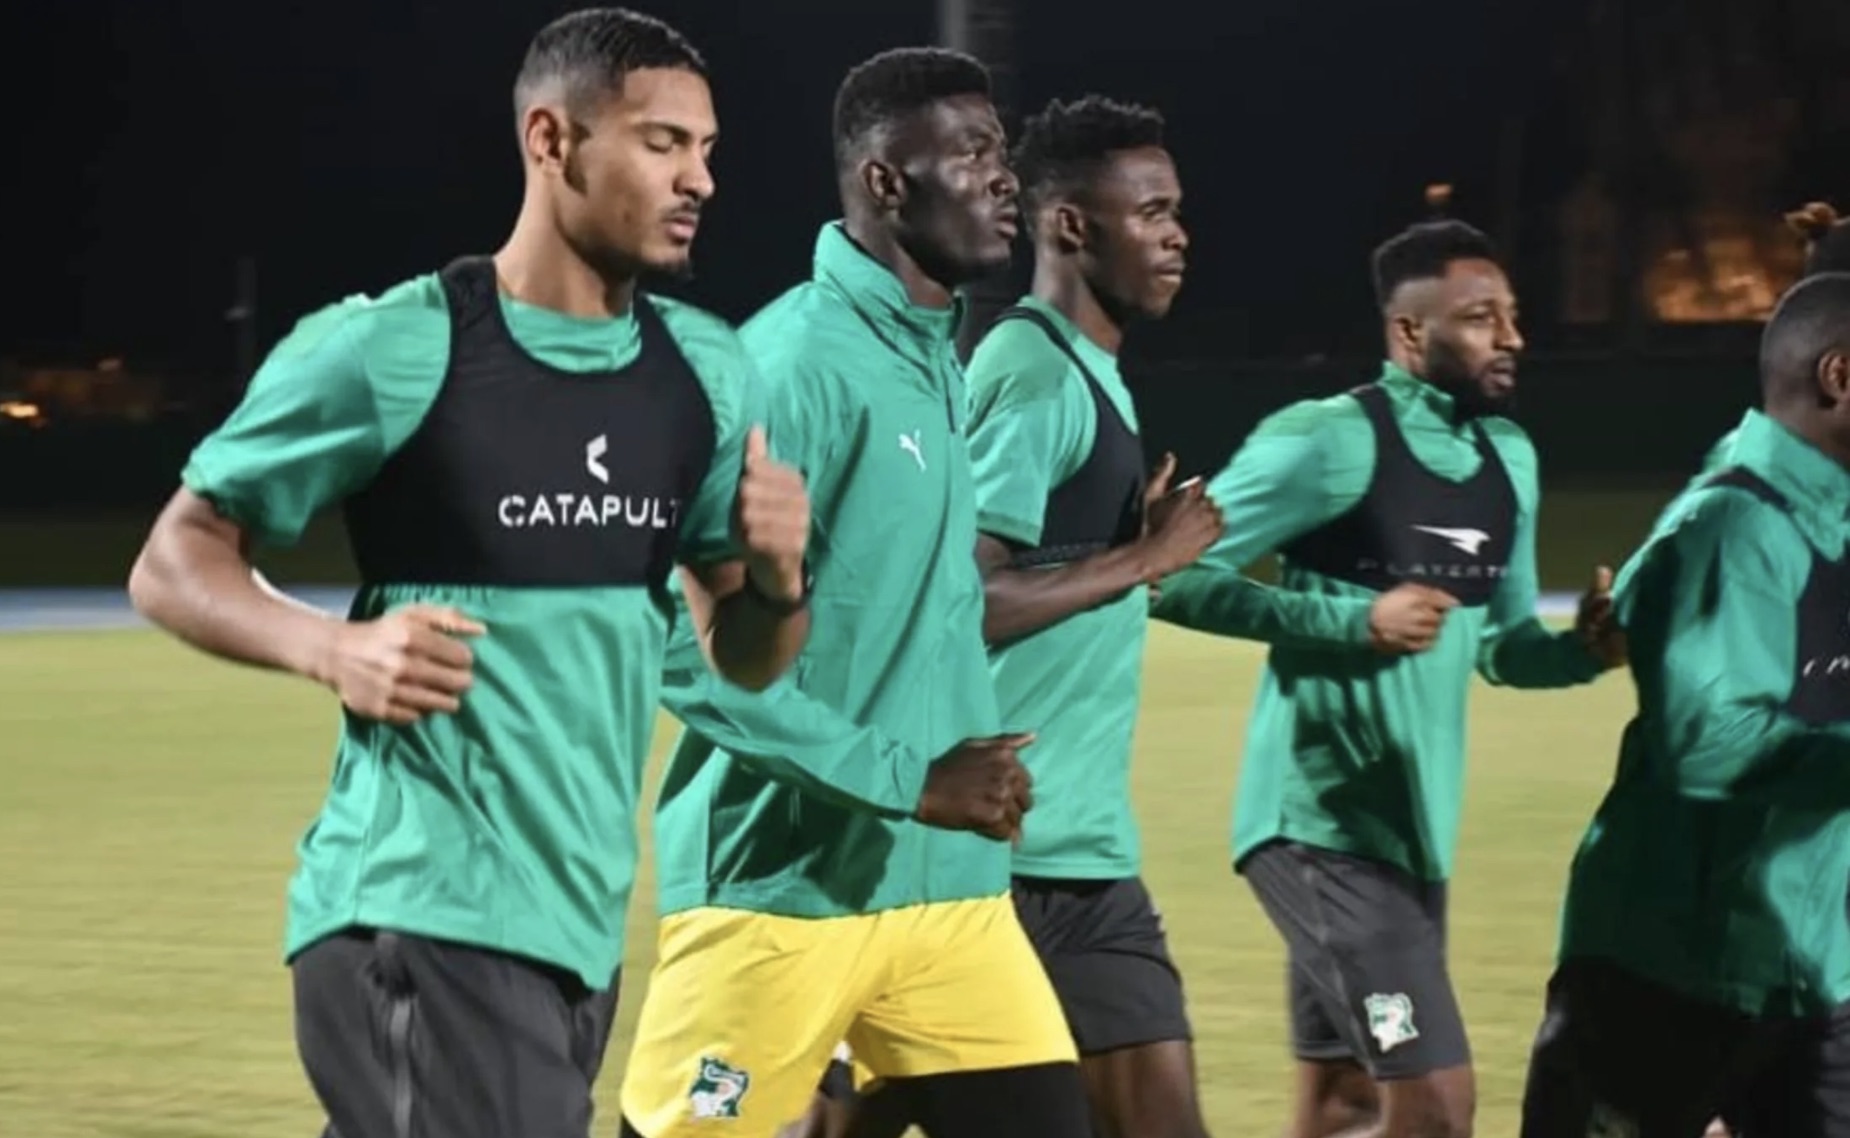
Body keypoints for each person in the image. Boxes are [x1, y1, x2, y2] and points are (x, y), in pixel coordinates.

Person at [125, 10, 812, 1137]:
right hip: (420, 910)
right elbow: (173, 558)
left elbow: (743, 654)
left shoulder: (704, 370)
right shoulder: (398, 347)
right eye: (660, 143)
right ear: (551, 140)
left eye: (705, 148)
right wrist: (332, 647)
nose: (699, 179)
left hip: (578, 932)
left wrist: (780, 578)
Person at [617, 47, 1090, 1138]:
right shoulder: (788, 365)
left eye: (1001, 153)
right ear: (885, 180)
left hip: (950, 906)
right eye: (971, 152)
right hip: (781, 898)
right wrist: (908, 776)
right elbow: (682, 647)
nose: (1002, 177)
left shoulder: (934, 357)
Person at [1151, 219, 1626, 1138]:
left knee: (1344, 1105)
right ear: (1410, 334)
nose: (1512, 338)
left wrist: (1583, 653)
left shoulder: (1508, 461)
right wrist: (1349, 621)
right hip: (1318, 830)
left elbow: (1506, 643)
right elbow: (1165, 574)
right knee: (1437, 1103)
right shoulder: (1327, 442)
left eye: (1512, 316)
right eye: (1482, 318)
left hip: (1412, 837)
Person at [810, 92, 1221, 1138]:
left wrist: (1140, 559)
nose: (1177, 235)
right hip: (983, 863)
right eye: (1153, 212)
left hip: (1073, 856)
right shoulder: (1035, 373)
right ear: (1071, 227)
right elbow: (959, 598)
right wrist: (1141, 556)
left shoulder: (1092, 378)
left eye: (1178, 211)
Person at [1518, 271, 1850, 1138]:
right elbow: (1708, 744)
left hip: (1814, 971)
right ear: (1840, 378)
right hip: (1665, 970)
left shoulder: (1828, 521)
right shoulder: (1731, 529)